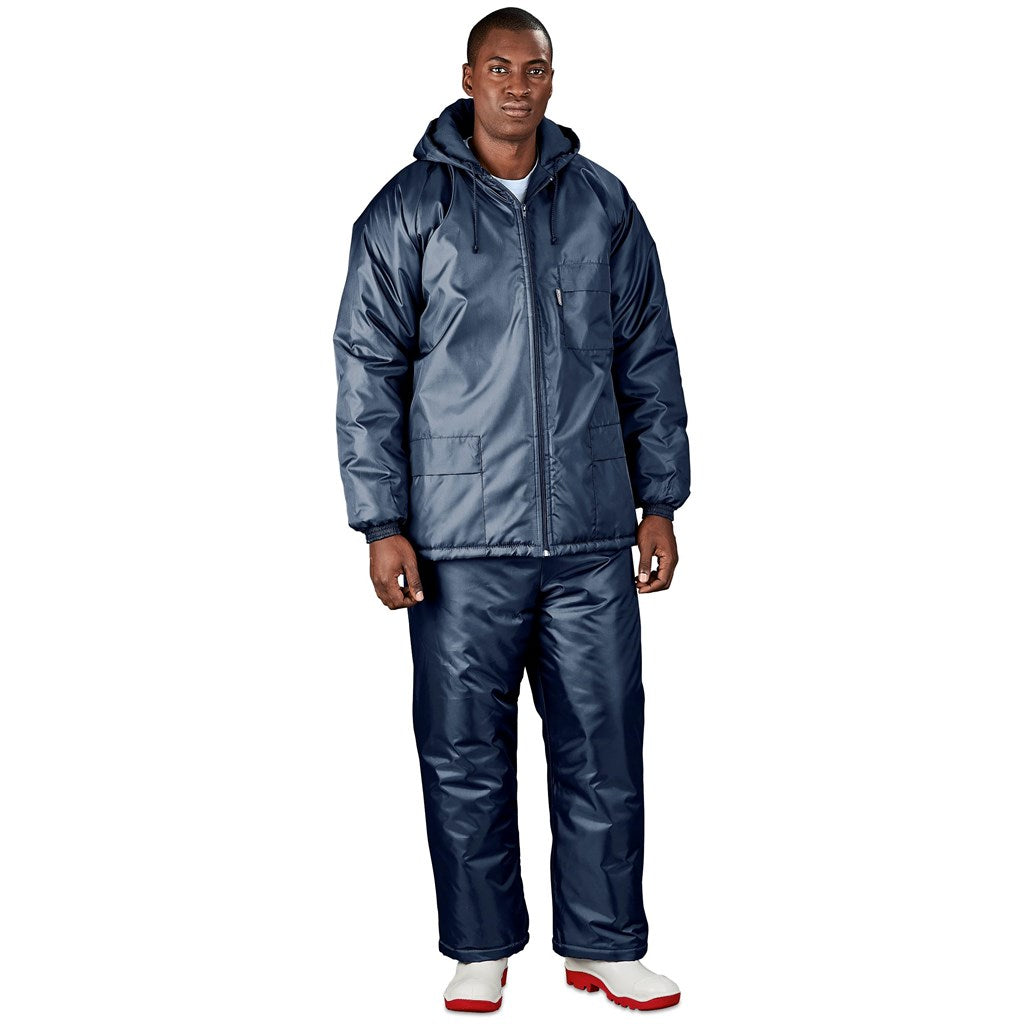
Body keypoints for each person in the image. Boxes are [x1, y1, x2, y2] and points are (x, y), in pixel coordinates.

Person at [332, 7, 690, 1013]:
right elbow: (366, 372)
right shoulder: (407, 210)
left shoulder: (603, 205)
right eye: (499, 68)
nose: (517, 86)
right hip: (457, 539)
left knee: (604, 742)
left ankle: (605, 944)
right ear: (467, 77)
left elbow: (648, 355)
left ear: (551, 79)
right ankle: (480, 948)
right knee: (462, 752)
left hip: (589, 532)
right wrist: (381, 523)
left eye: (533, 69)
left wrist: (660, 500)